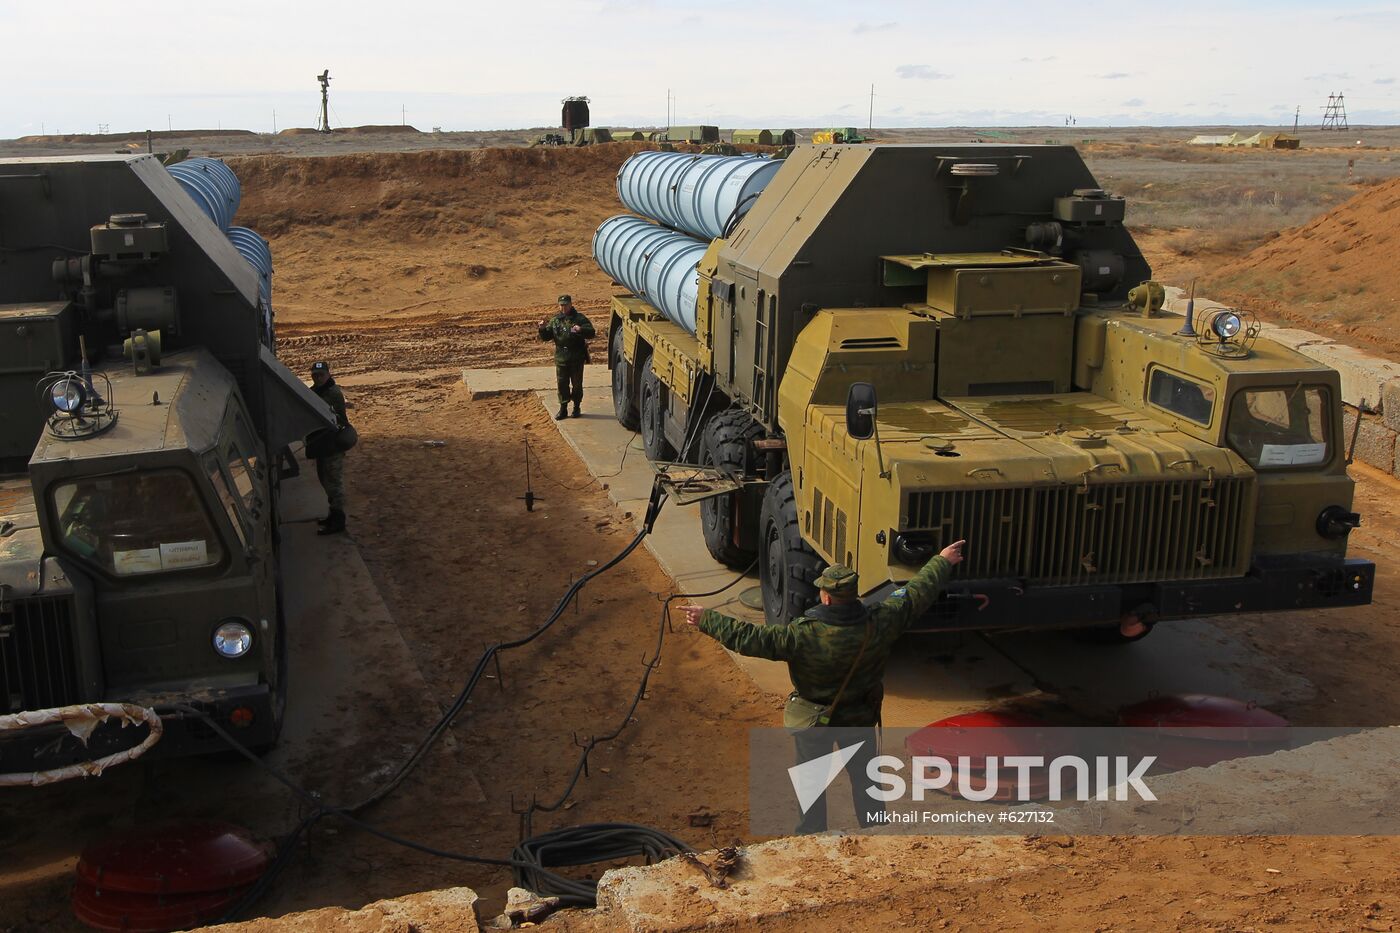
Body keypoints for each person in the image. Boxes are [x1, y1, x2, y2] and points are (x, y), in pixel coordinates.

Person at [681, 541, 965, 833]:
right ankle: (877, 831)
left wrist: (707, 619)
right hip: (859, 717)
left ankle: (812, 834)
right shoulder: (881, 621)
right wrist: (941, 561)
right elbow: (917, 593)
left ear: (826, 599)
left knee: (811, 782)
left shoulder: (803, 635)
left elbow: (750, 638)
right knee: (867, 781)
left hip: (814, 722)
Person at [307, 360, 351, 535]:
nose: (318, 378)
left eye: (321, 375)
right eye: (315, 375)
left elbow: (335, 419)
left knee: (334, 483)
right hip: (322, 444)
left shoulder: (332, 393)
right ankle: (332, 515)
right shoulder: (316, 391)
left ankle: (338, 520)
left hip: (333, 444)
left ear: (328, 375)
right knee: (325, 480)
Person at [538, 295, 595, 420]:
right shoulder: (555, 320)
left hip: (576, 357)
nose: (563, 308)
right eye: (561, 305)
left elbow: (591, 332)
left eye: (566, 305)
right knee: (562, 384)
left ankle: (576, 407)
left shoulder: (579, 318)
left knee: (577, 384)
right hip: (561, 358)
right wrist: (542, 329)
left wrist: (581, 329)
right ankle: (563, 409)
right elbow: (546, 337)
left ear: (571, 305)